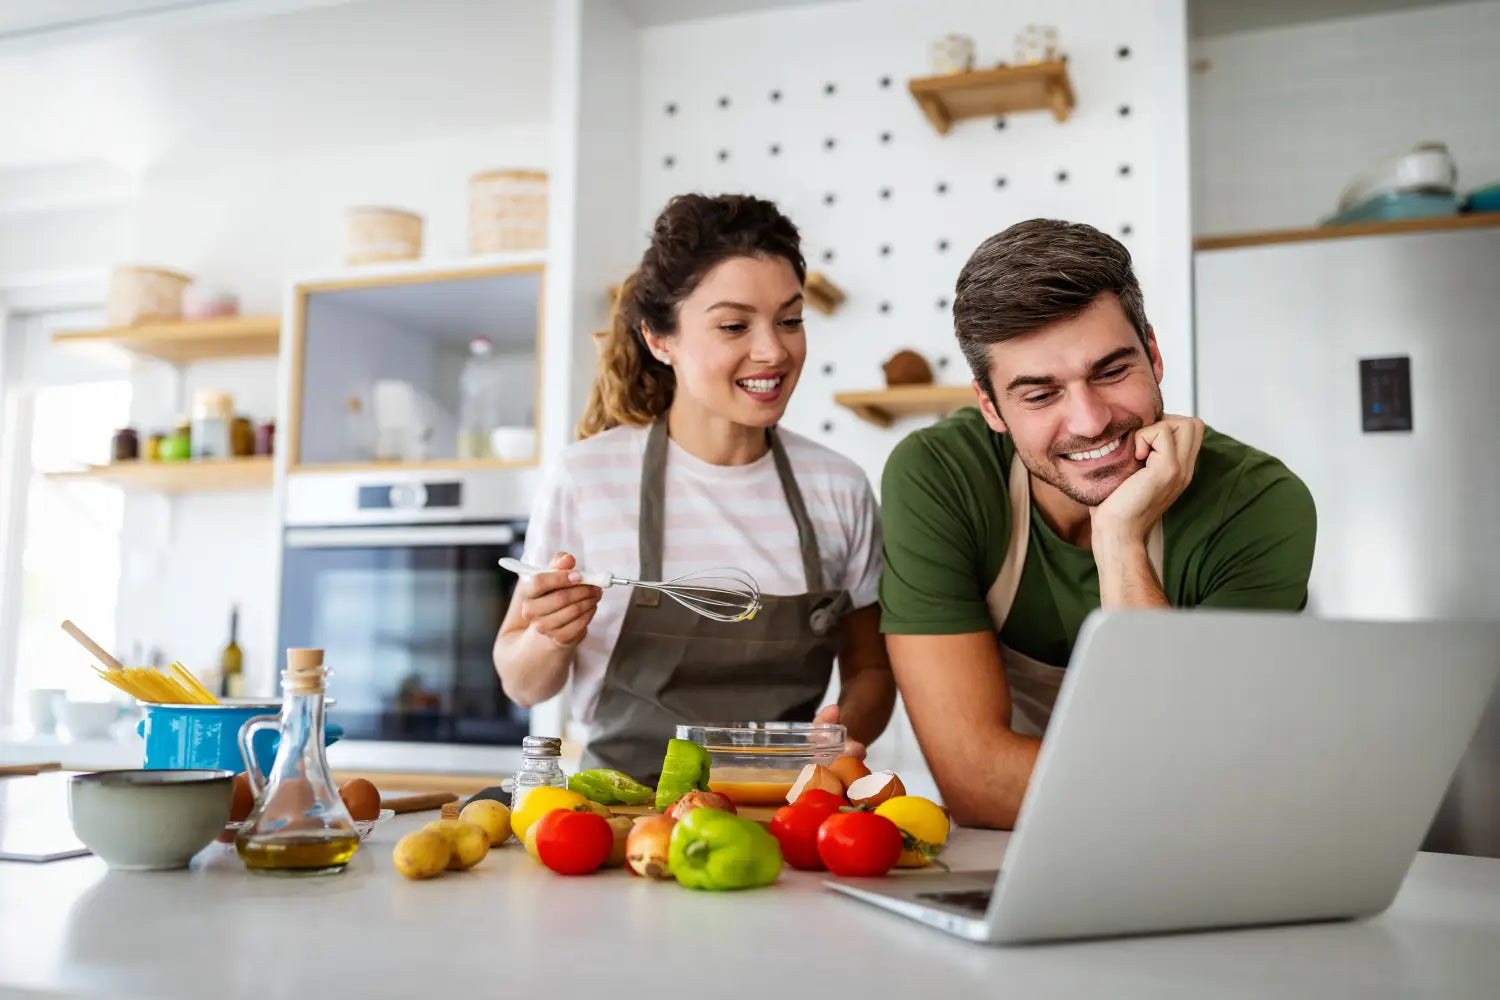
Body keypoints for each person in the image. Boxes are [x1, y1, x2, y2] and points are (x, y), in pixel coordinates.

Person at [880, 219, 1316, 829]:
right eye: (1040, 395)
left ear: (1153, 355)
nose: (1089, 422)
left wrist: (1118, 538)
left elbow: (1201, 776)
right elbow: (975, 780)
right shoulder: (940, 476)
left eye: (1111, 372)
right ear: (991, 408)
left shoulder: (1255, 502)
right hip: (1015, 847)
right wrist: (1156, 785)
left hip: (1214, 844)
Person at [493, 193, 894, 782]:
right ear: (661, 340)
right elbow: (522, 683)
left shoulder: (838, 487)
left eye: (789, 320)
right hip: (622, 814)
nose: (773, 350)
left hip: (784, 806)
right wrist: (551, 636)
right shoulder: (588, 478)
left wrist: (840, 732)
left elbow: (871, 670)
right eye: (734, 325)